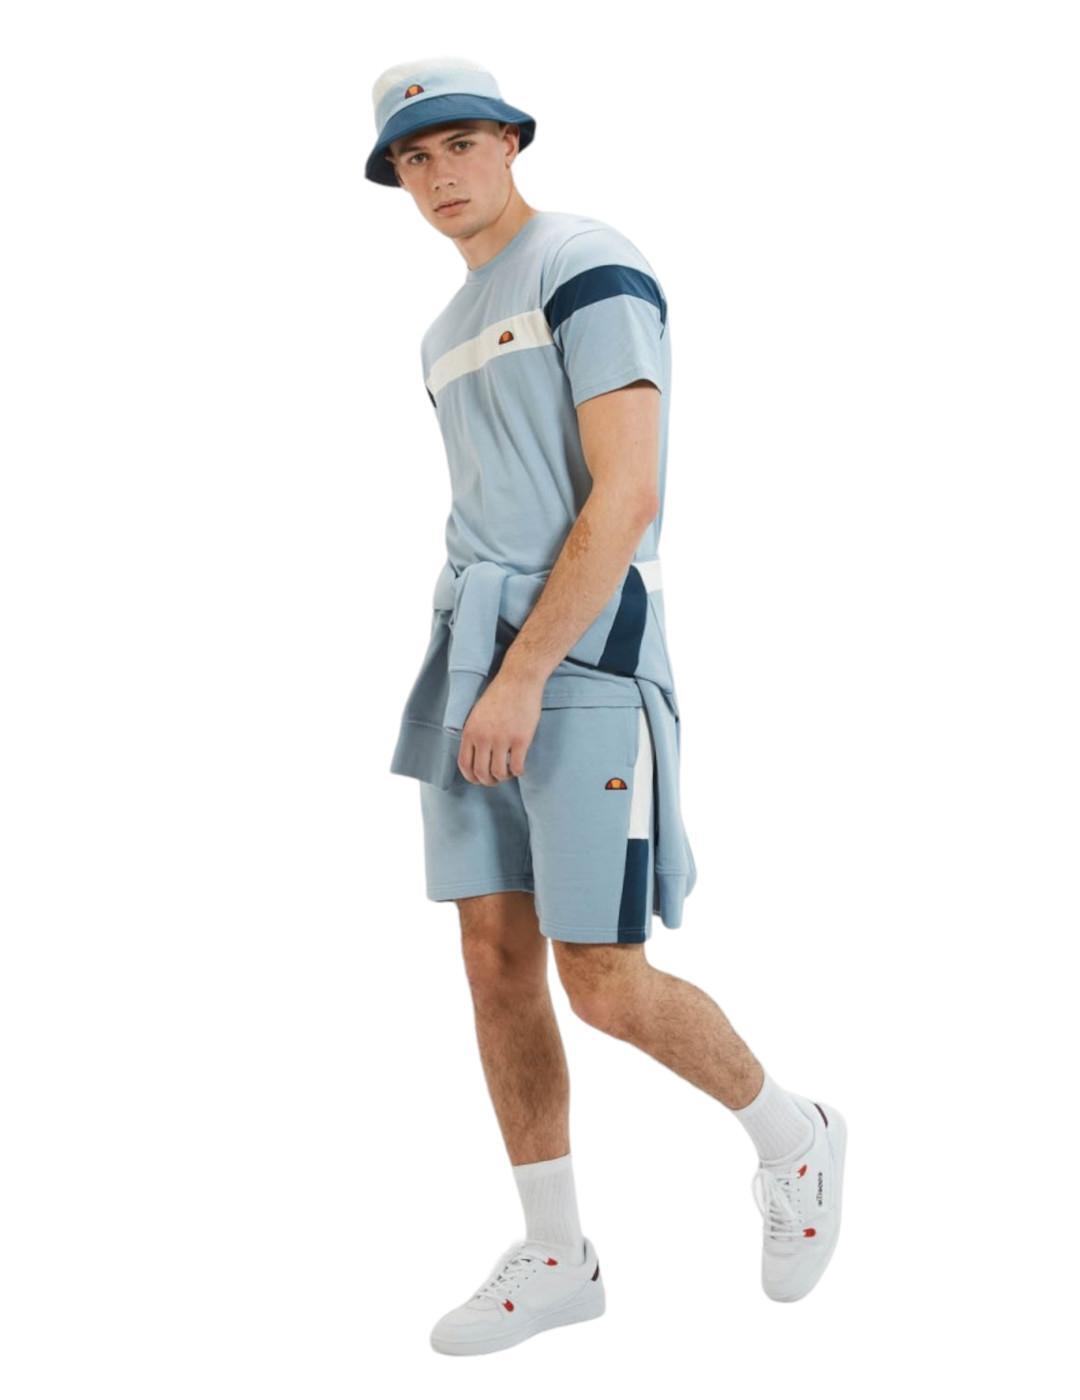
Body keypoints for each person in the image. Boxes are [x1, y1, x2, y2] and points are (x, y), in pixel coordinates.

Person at [367, 57, 848, 1355]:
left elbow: (626, 494)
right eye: (412, 158)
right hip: (469, 662)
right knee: (493, 963)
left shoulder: (587, 263)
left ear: (511, 141)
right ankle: (555, 1253)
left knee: (603, 977)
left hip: (577, 666)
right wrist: (476, 674)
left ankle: (796, 1137)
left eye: (458, 143)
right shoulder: (439, 330)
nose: (438, 174)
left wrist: (527, 674)